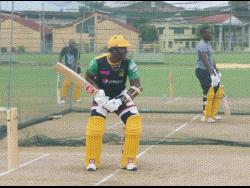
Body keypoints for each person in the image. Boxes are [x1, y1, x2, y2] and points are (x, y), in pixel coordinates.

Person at [84, 35, 143, 171]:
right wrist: (98, 93)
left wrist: (121, 100)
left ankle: (129, 160)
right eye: (124, 49)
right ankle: (92, 160)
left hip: (120, 96)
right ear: (114, 50)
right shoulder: (97, 62)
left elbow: (137, 86)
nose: (126, 51)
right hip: (101, 97)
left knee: (134, 122)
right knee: (95, 126)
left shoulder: (129, 64)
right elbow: (88, 77)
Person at [195, 26, 224, 123]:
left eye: (211, 33)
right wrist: (212, 75)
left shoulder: (208, 44)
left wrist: (216, 71)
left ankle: (211, 114)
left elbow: (211, 59)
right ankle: (205, 116)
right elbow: (205, 61)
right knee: (208, 92)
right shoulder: (202, 45)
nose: (210, 34)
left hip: (209, 71)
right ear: (203, 34)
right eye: (208, 33)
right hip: (202, 71)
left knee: (213, 91)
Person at [59, 39, 81, 103]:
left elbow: (77, 59)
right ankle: (63, 98)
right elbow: (61, 55)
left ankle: (76, 98)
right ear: (69, 44)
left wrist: (74, 68)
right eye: (72, 44)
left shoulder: (77, 50)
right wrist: (60, 61)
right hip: (68, 69)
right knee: (67, 83)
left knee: (78, 84)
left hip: (77, 69)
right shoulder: (65, 49)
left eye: (74, 44)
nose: (74, 45)